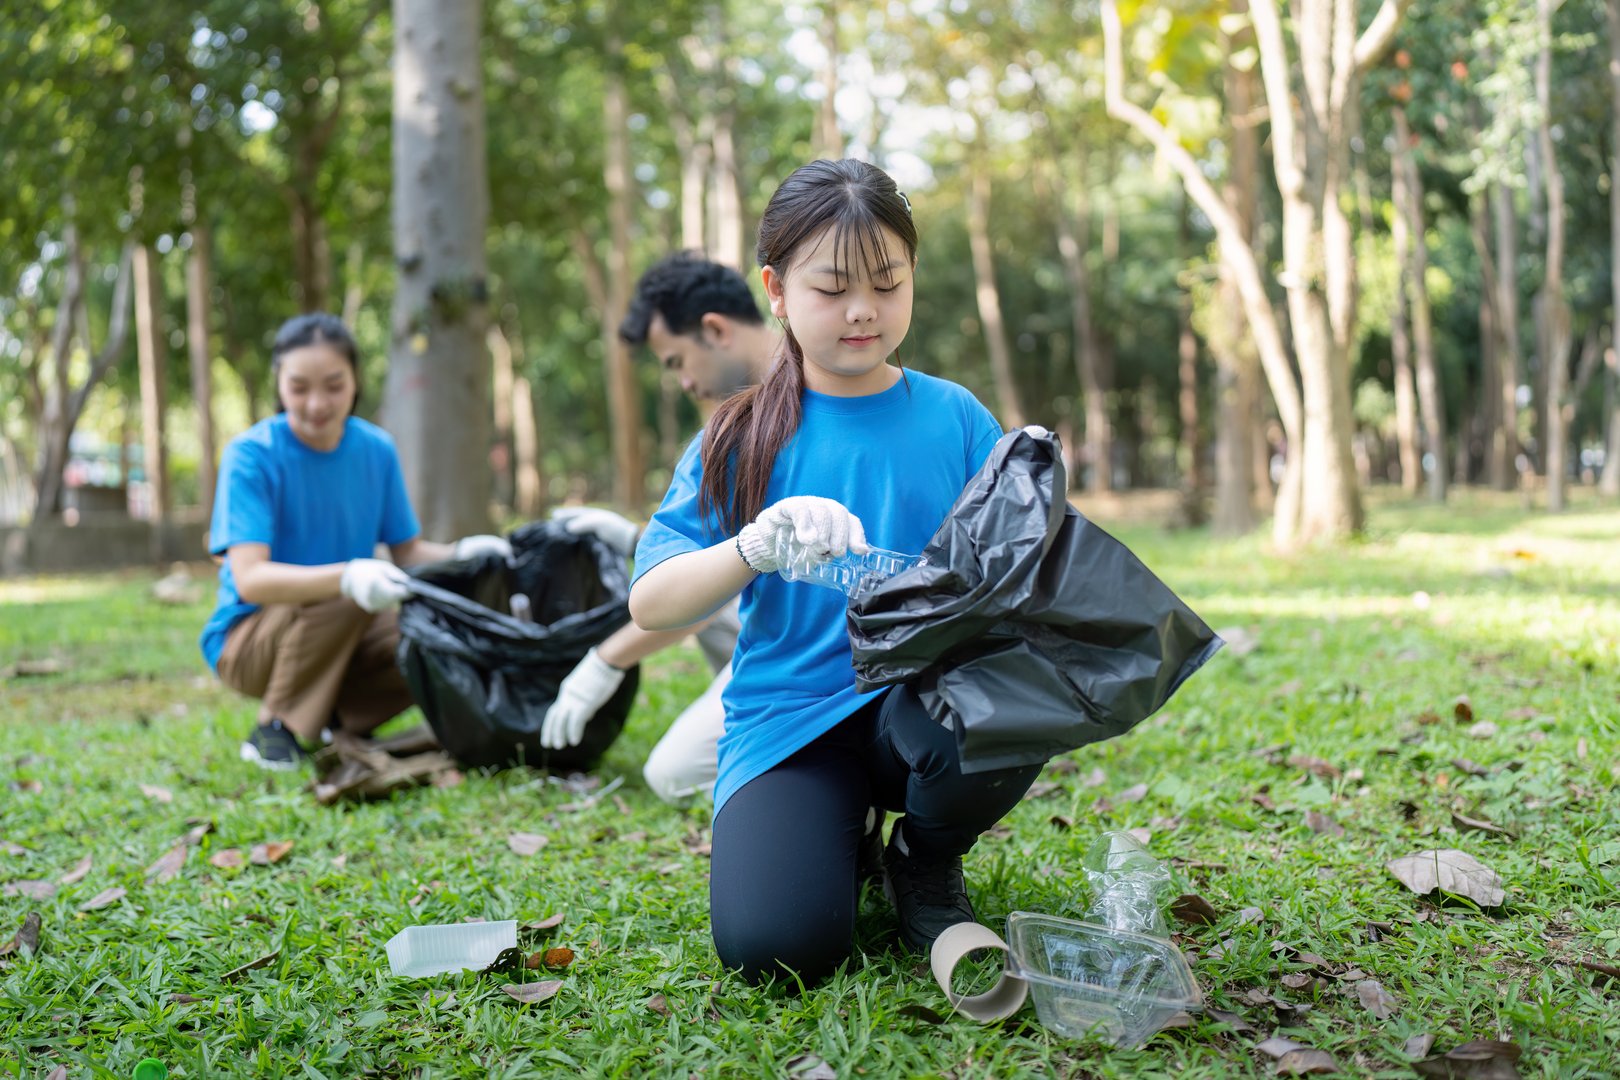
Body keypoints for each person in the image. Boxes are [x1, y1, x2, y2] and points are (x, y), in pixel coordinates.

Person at [627, 159, 1043, 985]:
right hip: (789, 721)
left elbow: (1022, 579)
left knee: (1014, 696)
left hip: (919, 706)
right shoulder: (738, 435)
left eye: (888, 284)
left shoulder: (957, 417)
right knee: (776, 952)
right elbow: (652, 603)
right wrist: (752, 548)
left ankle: (923, 858)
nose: (864, 310)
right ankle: (833, 832)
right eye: (833, 288)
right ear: (776, 290)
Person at [199, 313, 512, 770]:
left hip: (342, 629)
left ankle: (335, 718)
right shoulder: (252, 455)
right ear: (279, 384)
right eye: (299, 387)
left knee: (430, 629)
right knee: (342, 595)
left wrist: (464, 555)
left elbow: (408, 553)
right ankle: (274, 729)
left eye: (333, 385)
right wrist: (346, 576)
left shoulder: (376, 450)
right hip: (249, 642)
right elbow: (249, 579)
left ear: (354, 381)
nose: (317, 403)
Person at [544, 253, 777, 803]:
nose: (685, 381)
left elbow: (711, 588)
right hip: (778, 611)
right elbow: (721, 553)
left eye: (676, 362)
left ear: (715, 329)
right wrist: (631, 539)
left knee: (674, 776)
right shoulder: (732, 428)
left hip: (836, 639)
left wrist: (605, 660)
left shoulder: (818, 394)